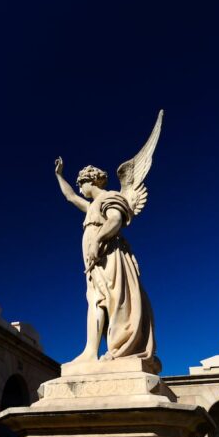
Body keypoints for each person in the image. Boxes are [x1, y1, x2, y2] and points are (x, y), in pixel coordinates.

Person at [53, 110, 163, 368]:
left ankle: (120, 347)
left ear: (90, 181)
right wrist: (59, 175)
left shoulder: (110, 196)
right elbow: (70, 197)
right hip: (96, 256)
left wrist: (96, 240)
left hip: (108, 252)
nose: (79, 189)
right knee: (95, 298)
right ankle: (90, 351)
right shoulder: (91, 205)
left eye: (81, 184)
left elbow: (114, 220)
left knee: (112, 299)